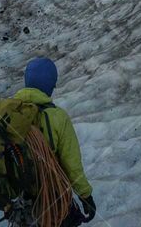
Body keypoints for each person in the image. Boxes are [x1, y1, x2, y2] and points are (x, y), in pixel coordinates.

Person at [16, 57, 96, 226]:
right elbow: (71, 163)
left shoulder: (10, 114)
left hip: (18, 198)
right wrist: (85, 195)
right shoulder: (57, 117)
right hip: (51, 196)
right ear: (49, 84)